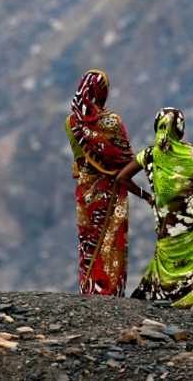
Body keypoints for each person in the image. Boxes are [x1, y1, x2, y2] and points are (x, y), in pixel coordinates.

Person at [117, 107, 193, 309]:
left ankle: (164, 301)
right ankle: (190, 309)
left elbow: (121, 178)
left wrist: (148, 197)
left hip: (167, 223)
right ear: (180, 129)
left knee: (167, 264)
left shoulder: (149, 155)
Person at [65, 68, 135, 296]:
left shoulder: (71, 123)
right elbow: (127, 160)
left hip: (85, 190)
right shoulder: (112, 123)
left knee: (89, 240)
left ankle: (88, 289)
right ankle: (110, 291)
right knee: (110, 241)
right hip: (110, 192)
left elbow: (78, 160)